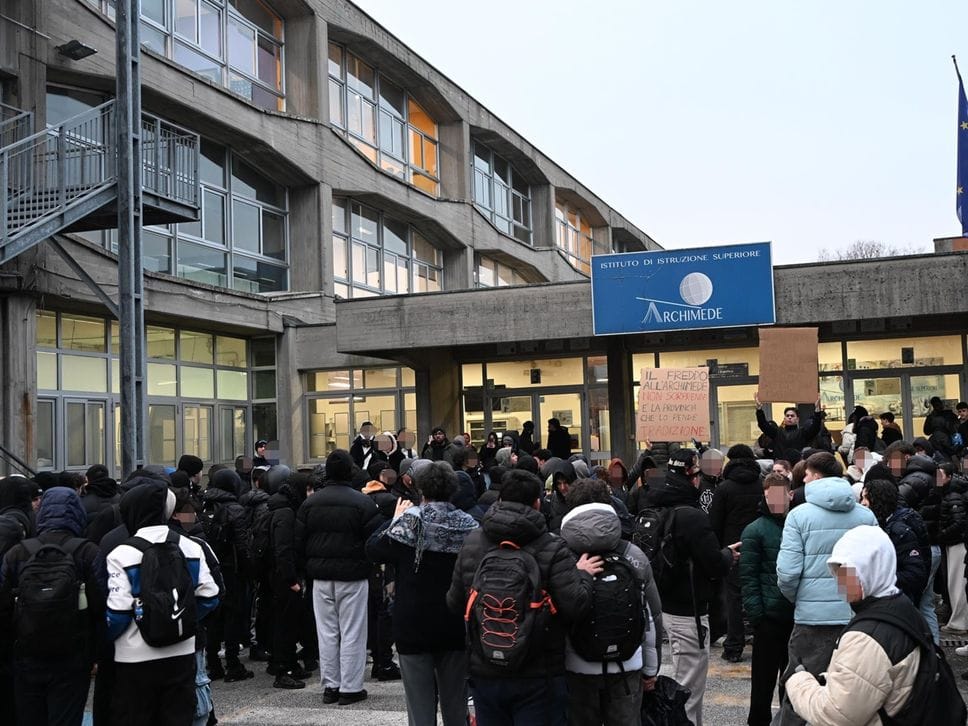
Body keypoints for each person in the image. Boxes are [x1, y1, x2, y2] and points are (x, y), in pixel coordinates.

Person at [446, 469, 599, 726]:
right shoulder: (552, 546)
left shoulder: (473, 541)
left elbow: (454, 602)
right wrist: (582, 575)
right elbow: (576, 606)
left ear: (499, 499)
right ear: (537, 503)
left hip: (485, 668)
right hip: (539, 672)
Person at [367, 460, 479, 726]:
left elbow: (373, 549)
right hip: (454, 623)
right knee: (455, 705)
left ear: (420, 490)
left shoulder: (409, 523)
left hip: (412, 623)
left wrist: (394, 520)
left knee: (420, 710)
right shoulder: (470, 526)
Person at [773, 451, 877, 726]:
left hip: (811, 620)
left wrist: (802, 599)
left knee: (798, 692)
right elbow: (878, 567)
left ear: (816, 476)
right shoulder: (866, 516)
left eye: (805, 474)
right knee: (852, 698)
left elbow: (787, 572)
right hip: (858, 619)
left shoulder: (798, 516)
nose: (803, 479)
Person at [105, 482, 220, 726]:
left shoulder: (120, 554)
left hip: (134, 655)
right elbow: (210, 595)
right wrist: (181, 618)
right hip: (182, 650)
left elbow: (117, 613)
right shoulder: (190, 546)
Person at [785, 526, 925, 724]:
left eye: (846, 574)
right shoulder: (902, 608)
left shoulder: (868, 638)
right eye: (837, 573)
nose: (840, 583)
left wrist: (797, 679)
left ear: (870, 570)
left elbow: (836, 715)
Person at [638, 449, 738, 726]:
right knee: (688, 692)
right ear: (689, 475)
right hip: (689, 610)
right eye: (697, 473)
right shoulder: (691, 516)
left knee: (683, 683)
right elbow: (714, 564)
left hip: (663, 605)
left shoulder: (654, 505)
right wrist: (728, 555)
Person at [559, 479, 663, 726]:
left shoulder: (561, 555)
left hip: (577, 667)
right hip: (627, 666)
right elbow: (652, 617)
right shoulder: (632, 554)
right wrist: (651, 670)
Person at [0, 487, 106, 726]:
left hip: (26, 653)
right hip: (73, 655)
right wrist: (98, 654)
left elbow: (3, 606)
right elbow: (101, 605)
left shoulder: (19, 552)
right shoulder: (87, 551)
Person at [296, 449, 383, 705]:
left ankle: (330, 685)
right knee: (353, 632)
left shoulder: (309, 503)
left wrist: (304, 570)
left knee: (327, 632)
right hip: (353, 576)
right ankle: (350, 687)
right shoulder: (363, 502)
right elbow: (374, 541)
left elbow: (298, 541)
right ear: (350, 471)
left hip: (320, 577)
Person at [739, 473, 794, 726]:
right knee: (762, 685)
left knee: (792, 682)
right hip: (769, 619)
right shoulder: (755, 530)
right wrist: (757, 615)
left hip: (794, 616)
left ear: (790, 495)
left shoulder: (796, 525)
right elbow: (747, 577)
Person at [708, 443, 763, 663]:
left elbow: (715, 522)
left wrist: (720, 550)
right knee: (759, 594)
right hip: (759, 546)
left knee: (733, 597)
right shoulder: (762, 484)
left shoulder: (724, 488)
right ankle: (761, 642)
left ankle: (734, 646)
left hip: (734, 548)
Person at [201, 468, 253, 682]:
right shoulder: (235, 509)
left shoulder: (202, 506)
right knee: (233, 615)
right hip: (232, 569)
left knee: (213, 616)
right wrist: (250, 570)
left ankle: (213, 663)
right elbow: (243, 545)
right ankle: (232, 662)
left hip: (209, 567)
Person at [265, 471, 311, 689]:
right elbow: (283, 550)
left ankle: (288, 663)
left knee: (288, 622)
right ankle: (283, 668)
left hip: (280, 576)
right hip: (284, 578)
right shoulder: (286, 513)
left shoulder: (282, 507)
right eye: (308, 489)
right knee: (285, 623)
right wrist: (291, 579)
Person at [859, 478, 929, 606]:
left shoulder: (899, 530)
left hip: (897, 600)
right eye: (862, 498)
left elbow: (915, 574)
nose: (863, 503)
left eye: (866, 498)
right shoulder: (883, 524)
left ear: (879, 499)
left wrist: (879, 578)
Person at [753, 394, 824, 464]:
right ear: (784, 419)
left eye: (792, 416)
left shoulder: (803, 432)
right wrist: (759, 410)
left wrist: (817, 411)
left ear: (797, 419)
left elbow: (815, 428)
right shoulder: (777, 432)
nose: (789, 417)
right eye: (787, 416)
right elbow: (763, 425)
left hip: (797, 465)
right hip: (780, 465)